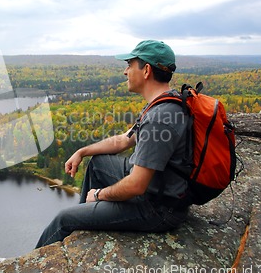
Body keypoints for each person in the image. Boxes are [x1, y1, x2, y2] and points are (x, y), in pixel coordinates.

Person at [35, 40, 192, 248]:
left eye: (129, 64)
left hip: (158, 209)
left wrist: (99, 195)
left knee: (64, 219)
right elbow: (124, 140)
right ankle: (86, 221)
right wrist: (82, 151)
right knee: (97, 163)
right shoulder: (166, 101)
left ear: (146, 70)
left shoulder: (160, 118)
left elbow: (137, 185)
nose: (125, 72)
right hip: (160, 190)